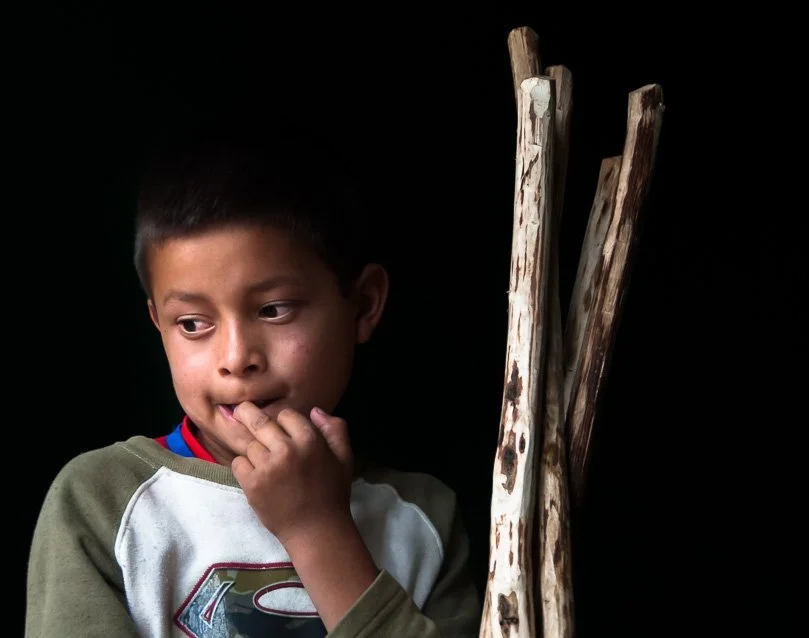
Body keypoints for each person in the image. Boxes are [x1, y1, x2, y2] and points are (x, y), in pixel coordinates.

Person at [25, 128, 482, 637]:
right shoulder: (101, 502)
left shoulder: (423, 518)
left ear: (363, 305)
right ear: (158, 324)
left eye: (273, 310)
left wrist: (316, 529)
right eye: (192, 323)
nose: (236, 359)